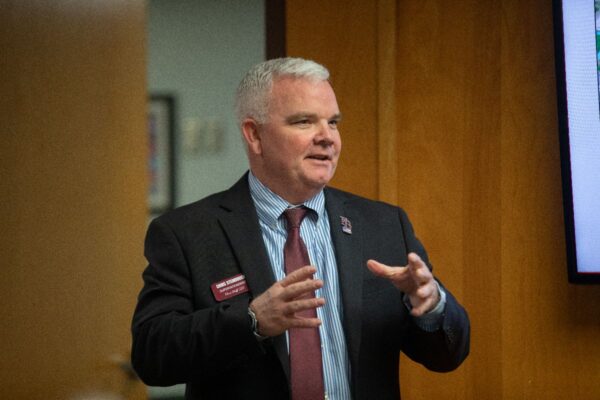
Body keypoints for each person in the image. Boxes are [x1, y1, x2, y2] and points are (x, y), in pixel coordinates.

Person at [131, 57, 470, 400]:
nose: (327, 138)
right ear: (255, 135)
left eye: (333, 122)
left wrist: (431, 305)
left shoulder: (383, 225)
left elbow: (447, 355)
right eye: (304, 121)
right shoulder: (187, 232)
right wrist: (251, 321)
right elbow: (152, 356)